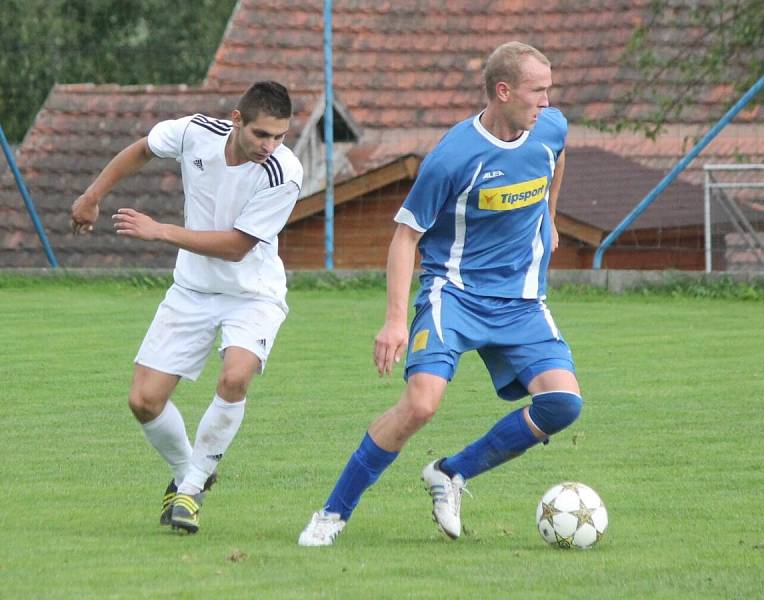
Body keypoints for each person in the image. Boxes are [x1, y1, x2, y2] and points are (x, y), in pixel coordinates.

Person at [298, 42, 581, 546]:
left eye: (549, 91)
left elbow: (557, 157)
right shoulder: (453, 157)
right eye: (538, 92)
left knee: (563, 404)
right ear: (503, 91)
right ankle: (332, 513)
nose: (547, 103)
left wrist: (552, 216)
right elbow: (405, 236)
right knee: (421, 406)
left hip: (521, 302)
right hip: (455, 297)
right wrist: (394, 321)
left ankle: (452, 473)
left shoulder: (549, 129)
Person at [71, 81, 303, 534]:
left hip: (252, 294)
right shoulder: (195, 131)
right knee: (143, 401)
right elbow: (141, 149)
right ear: (237, 120)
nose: (270, 146)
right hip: (192, 291)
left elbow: (237, 247)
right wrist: (93, 195)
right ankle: (188, 474)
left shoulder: (283, 172)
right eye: (261, 134)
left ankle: (191, 489)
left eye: (279, 136)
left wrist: (162, 232)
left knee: (236, 375)